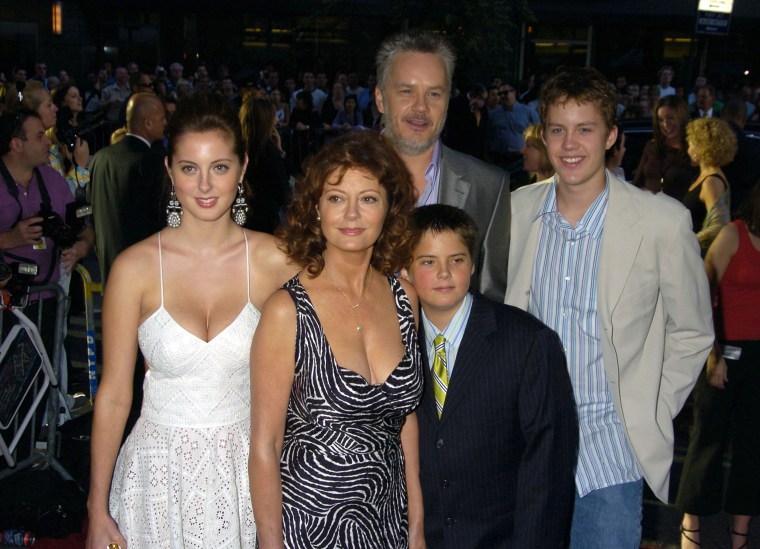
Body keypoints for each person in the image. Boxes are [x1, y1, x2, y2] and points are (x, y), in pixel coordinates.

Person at [505, 66, 714, 548]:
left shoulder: (662, 221)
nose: (570, 144)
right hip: (525, 451)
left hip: (610, 454)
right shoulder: (517, 211)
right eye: (558, 129)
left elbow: (692, 331)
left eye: (585, 129)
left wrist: (652, 408)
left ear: (611, 136)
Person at [85, 93, 297, 548]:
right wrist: (96, 508)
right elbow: (116, 395)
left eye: (219, 167)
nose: (204, 184)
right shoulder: (134, 268)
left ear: (241, 170)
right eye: (189, 168)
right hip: (154, 477)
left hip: (247, 472)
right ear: (169, 171)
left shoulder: (275, 260)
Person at [249, 131, 424, 548]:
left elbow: (406, 422)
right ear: (316, 209)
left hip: (387, 522)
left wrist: (416, 527)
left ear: (389, 209)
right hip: (307, 525)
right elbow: (264, 445)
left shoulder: (405, 300)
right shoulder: (286, 310)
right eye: (335, 197)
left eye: (368, 198)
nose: (351, 214)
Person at [404, 204, 578, 548]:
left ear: (473, 263)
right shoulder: (394, 343)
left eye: (456, 260)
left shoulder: (527, 342)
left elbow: (548, 467)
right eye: (428, 261)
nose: (444, 273)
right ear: (405, 269)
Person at [374, 29, 510, 302]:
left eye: (434, 94)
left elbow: (489, 297)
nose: (421, 107)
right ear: (380, 98)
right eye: (406, 91)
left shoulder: (488, 187)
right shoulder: (337, 181)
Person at [676, 182, 760, 549]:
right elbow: (702, 293)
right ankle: (691, 522)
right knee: (707, 440)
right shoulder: (733, 234)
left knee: (753, 445)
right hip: (724, 349)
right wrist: (714, 353)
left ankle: (740, 530)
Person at [0, 110, 94, 355]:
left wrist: (80, 247)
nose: (49, 142)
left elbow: (85, 228)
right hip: (5, 305)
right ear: (16, 144)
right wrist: (10, 238)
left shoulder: (52, 179)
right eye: (40, 136)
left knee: (46, 379)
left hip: (48, 302)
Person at [682, 117, 736, 255]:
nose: (688, 150)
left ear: (701, 146)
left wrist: (688, 242)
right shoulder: (705, 176)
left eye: (690, 144)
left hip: (699, 258)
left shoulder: (712, 181)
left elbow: (719, 225)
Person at [238, 96, 290, 234]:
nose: (277, 121)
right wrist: (280, 153)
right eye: (274, 117)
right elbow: (283, 191)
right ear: (265, 120)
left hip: (238, 218)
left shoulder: (234, 149)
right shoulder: (268, 152)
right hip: (264, 221)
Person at [633, 95, 697, 200]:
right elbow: (637, 182)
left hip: (676, 212)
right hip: (647, 209)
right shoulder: (652, 146)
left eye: (670, 118)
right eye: (660, 120)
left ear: (681, 117)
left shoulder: (693, 151)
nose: (665, 124)